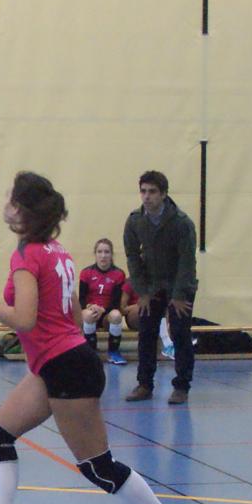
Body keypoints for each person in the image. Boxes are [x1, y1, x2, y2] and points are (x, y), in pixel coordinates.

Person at [0, 171, 196, 504]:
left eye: (12, 200)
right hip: (60, 363)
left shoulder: (27, 256)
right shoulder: (57, 252)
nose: (7, 205)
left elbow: (25, 319)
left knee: (98, 466)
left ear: (25, 211)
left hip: (67, 369)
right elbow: (75, 312)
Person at [122, 171, 197, 404]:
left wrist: (178, 296)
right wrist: (142, 292)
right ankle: (144, 384)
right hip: (152, 286)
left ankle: (181, 386)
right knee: (146, 333)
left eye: (152, 192)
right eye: (143, 191)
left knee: (180, 333)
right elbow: (132, 258)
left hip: (179, 284)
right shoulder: (135, 220)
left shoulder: (182, 223)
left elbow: (187, 262)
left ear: (164, 194)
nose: (147, 196)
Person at [78, 238, 128, 365]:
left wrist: (103, 310)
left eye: (107, 252)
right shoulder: (86, 273)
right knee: (88, 314)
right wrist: (90, 306)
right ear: (95, 254)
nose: (103, 255)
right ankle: (91, 351)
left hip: (107, 314)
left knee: (116, 315)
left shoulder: (118, 274)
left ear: (111, 254)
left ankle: (114, 352)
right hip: (91, 311)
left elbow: (116, 302)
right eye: (100, 252)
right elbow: (81, 300)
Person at [119, 278, 176, 361]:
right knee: (148, 310)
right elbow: (122, 309)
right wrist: (138, 305)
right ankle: (167, 343)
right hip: (134, 315)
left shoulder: (157, 283)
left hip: (153, 313)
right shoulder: (131, 282)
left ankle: (169, 343)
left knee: (161, 309)